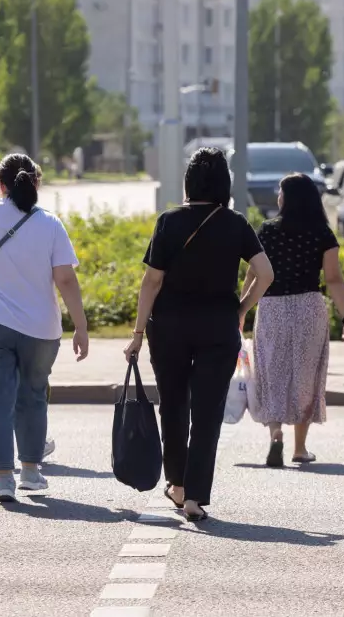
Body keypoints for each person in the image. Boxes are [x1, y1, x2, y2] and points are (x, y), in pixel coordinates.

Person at [124, 148, 275, 522]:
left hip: (170, 328)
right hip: (218, 329)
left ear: (188, 181)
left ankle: (176, 483)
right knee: (207, 413)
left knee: (173, 406)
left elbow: (152, 280)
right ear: (225, 183)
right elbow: (265, 273)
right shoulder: (235, 223)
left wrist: (138, 332)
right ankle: (195, 498)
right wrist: (240, 308)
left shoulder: (169, 221)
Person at [0, 154, 89, 503]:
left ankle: (3, 478)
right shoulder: (50, 224)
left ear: (0, 185)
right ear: (35, 184)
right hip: (39, 328)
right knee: (32, 396)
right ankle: (30, 471)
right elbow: (65, 279)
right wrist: (81, 324)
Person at [246, 173, 344, 467]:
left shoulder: (267, 231)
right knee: (306, 377)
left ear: (288, 198)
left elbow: (253, 274)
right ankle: (300, 447)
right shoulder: (322, 233)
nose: (278, 197)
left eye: (280, 192)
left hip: (271, 308)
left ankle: (275, 435)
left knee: (271, 372)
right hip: (309, 306)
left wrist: (242, 310)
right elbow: (333, 279)